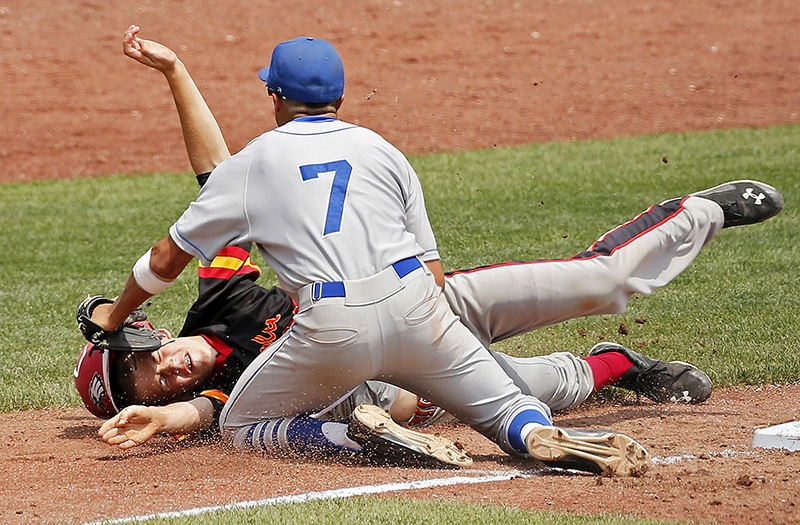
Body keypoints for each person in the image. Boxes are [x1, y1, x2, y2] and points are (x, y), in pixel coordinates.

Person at [79, 28, 782, 477]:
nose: (165, 373)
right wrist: (160, 415)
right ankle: (606, 373)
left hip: (404, 314)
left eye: (146, 363)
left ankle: (702, 212)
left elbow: (210, 181)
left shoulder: (224, 294)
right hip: (406, 330)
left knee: (596, 279)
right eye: (153, 386)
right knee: (534, 386)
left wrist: (176, 74)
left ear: (155, 334)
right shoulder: (380, 149)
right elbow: (201, 413)